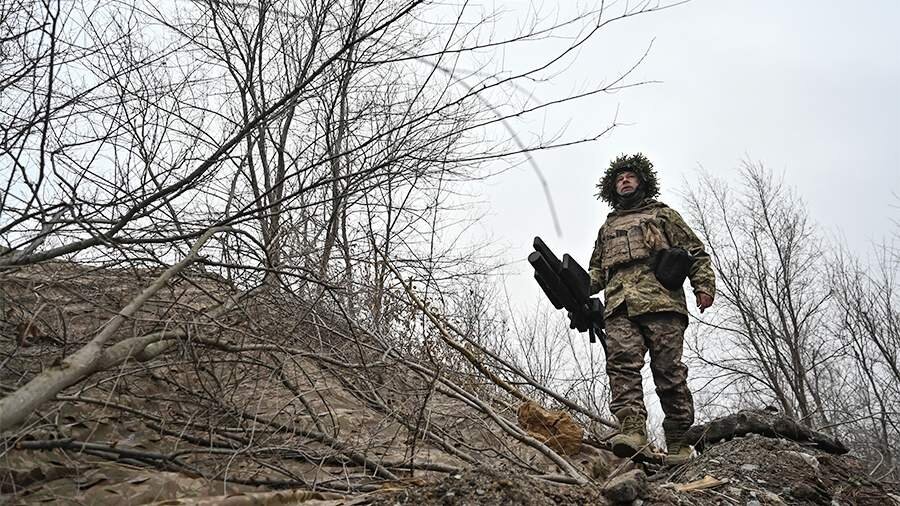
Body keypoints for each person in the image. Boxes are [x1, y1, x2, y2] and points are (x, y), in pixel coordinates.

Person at [588, 153, 715, 465]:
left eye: (630, 176)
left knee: (668, 372)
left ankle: (678, 440)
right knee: (621, 367)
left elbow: (696, 252)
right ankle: (632, 430)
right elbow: (596, 272)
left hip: (661, 302)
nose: (625, 181)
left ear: (642, 181)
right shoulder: (608, 227)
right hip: (619, 306)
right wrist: (574, 288)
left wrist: (704, 286)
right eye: (619, 179)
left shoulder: (663, 215)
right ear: (612, 188)